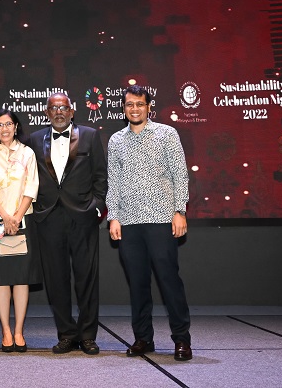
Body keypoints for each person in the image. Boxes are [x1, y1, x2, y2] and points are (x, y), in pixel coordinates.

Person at [107, 84, 192, 361]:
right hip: (129, 222)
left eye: (139, 104)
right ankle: (143, 338)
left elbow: (180, 174)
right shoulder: (115, 141)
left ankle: (182, 339)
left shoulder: (167, 133)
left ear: (148, 107)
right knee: (138, 284)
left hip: (161, 219)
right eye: (129, 104)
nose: (134, 108)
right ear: (123, 108)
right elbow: (114, 182)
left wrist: (179, 211)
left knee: (169, 281)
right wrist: (114, 216)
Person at [24, 92, 107, 355]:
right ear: (46, 112)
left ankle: (88, 335)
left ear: (72, 111)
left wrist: (95, 208)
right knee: (56, 280)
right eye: (53, 108)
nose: (58, 112)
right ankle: (66, 334)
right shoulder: (34, 140)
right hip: (48, 219)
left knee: (87, 279)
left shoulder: (91, 135)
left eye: (63, 108)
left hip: (82, 217)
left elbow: (101, 176)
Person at [0, 109, 41, 353]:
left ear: (16, 127)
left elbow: (32, 186)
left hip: (23, 221)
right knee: (0, 280)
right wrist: (5, 216)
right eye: (0, 125)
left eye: (9, 124)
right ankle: (5, 330)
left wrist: (16, 216)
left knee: (21, 279)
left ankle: (19, 331)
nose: (5, 129)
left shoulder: (28, 154)